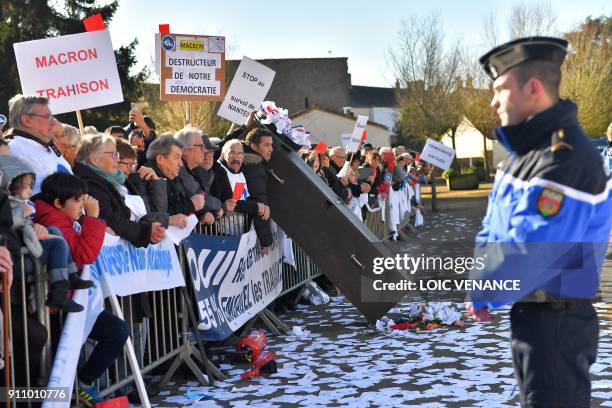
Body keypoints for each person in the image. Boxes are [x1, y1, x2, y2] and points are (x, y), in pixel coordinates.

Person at [468, 37, 612, 408]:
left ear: (532, 88)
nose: (493, 101)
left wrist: (485, 288)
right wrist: (481, 284)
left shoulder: (565, 157)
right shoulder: (525, 154)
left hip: (558, 318)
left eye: (500, 89)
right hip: (533, 310)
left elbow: (534, 247)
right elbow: (493, 227)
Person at [0, 155, 92, 312]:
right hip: (18, 260)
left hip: (23, 250)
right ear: (11, 184)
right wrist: (21, 215)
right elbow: (10, 224)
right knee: (57, 242)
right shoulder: (9, 204)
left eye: (31, 186)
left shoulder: (21, 204)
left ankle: (71, 275)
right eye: (26, 186)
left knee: (55, 232)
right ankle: (59, 293)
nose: (30, 191)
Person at [73, 133, 166, 247]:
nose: (118, 160)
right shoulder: (90, 183)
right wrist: (145, 231)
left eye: (117, 154)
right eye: (113, 155)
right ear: (94, 159)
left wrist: (148, 229)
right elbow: (109, 219)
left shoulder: (107, 180)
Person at [6, 95, 72, 194]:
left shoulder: (42, 146)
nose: (53, 122)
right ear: (26, 120)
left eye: (52, 117)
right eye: (47, 116)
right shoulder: (17, 150)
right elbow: (38, 198)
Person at [145, 135, 205, 224]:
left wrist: (205, 212)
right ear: (160, 159)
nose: (181, 164)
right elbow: (157, 216)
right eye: (177, 157)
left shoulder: (173, 178)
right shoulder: (145, 179)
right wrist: (191, 205)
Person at [242, 128, 274, 253]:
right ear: (254, 146)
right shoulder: (253, 166)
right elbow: (259, 198)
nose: (271, 149)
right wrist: (265, 241)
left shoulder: (254, 163)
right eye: (266, 145)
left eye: (271, 145)